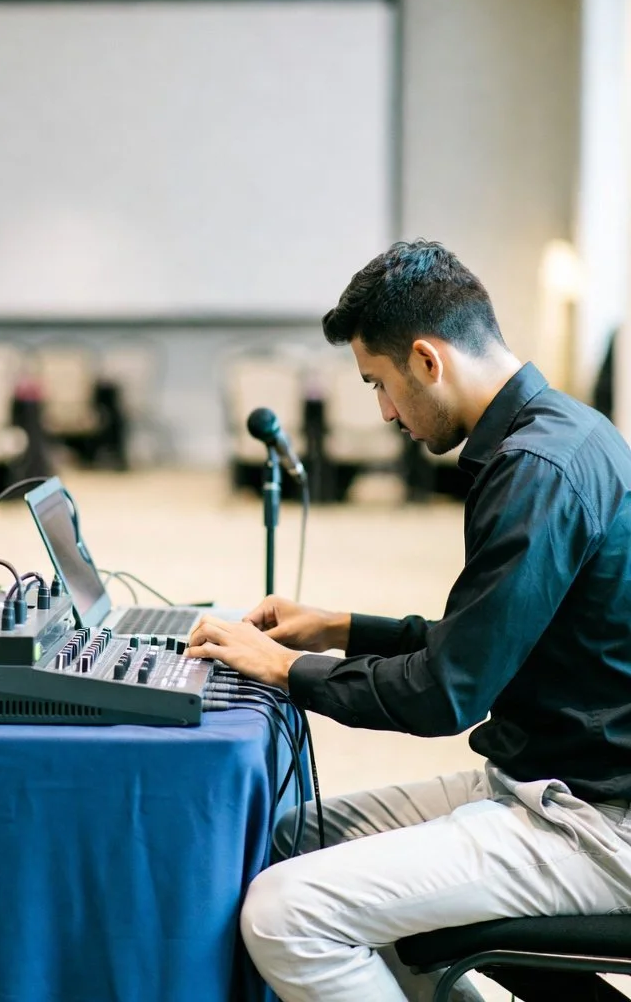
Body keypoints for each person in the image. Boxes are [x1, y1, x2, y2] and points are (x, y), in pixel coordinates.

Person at [186, 240, 631, 1002]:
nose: (385, 412)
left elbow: (446, 694)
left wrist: (286, 671)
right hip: (547, 778)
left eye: (380, 385)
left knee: (284, 915)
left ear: (427, 360)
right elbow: (490, 640)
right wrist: (341, 627)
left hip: (593, 821)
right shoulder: (560, 432)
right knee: (290, 836)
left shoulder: (536, 472)